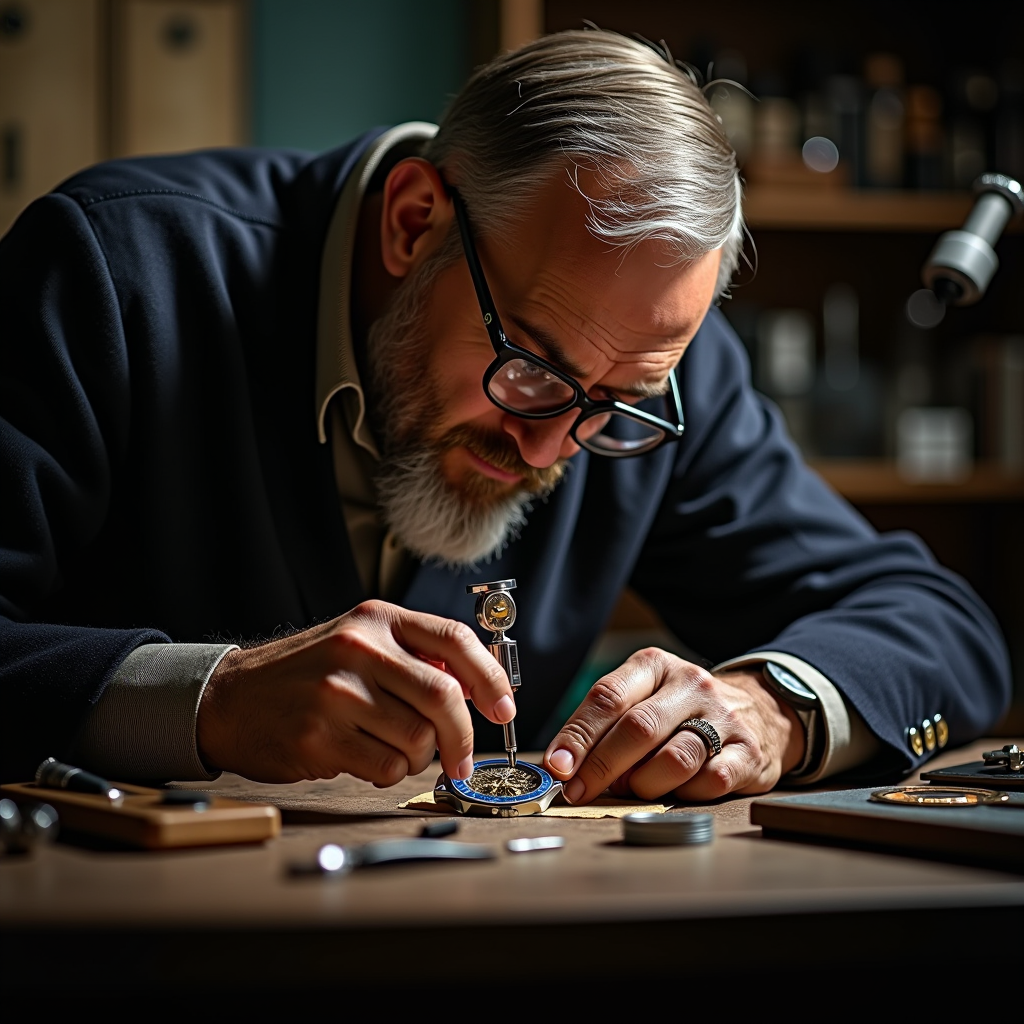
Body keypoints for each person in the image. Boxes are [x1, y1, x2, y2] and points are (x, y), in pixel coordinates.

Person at [0, 30, 1009, 799]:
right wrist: (202, 698)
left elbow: (942, 626)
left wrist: (769, 707)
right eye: (531, 365)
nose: (547, 445)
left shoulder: (642, 384)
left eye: (617, 401)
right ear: (412, 221)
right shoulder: (111, 271)